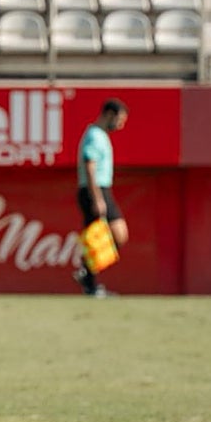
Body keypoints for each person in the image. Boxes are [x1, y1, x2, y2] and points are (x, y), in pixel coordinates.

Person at [73, 99, 129, 298]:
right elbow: (90, 165)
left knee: (112, 236)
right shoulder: (95, 136)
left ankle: (86, 274)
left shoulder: (100, 135)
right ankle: (89, 281)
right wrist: (97, 197)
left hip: (100, 189)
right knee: (104, 236)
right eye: (120, 120)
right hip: (94, 190)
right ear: (109, 115)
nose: (120, 125)